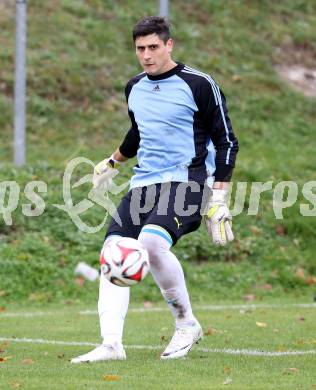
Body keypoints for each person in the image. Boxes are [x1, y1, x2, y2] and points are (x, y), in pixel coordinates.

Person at [71, 16, 238, 363]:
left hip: (190, 180)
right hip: (145, 181)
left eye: (153, 47)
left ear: (169, 45)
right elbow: (138, 133)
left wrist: (219, 197)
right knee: (113, 250)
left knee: (150, 241)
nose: (146, 55)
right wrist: (113, 162)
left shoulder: (199, 84)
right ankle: (112, 345)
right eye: (140, 48)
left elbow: (226, 142)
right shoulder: (134, 87)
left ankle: (186, 323)